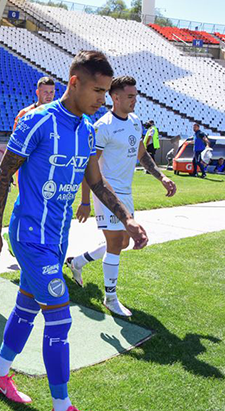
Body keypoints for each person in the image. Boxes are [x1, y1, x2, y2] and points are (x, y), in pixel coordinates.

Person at [0, 51, 148, 411]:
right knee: (60, 317)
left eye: (105, 93)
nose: (102, 99)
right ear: (75, 83)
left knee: (26, 306)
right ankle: (62, 405)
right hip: (28, 237)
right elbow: (3, 174)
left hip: (57, 239)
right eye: (98, 91)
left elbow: (98, 183)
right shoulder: (37, 121)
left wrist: (126, 218)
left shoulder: (88, 129)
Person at [70, 76, 176, 317]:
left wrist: (162, 177)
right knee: (117, 243)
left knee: (122, 242)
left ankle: (78, 262)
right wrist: (85, 201)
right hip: (106, 192)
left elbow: (142, 154)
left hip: (126, 192)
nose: (134, 101)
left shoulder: (136, 122)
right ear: (114, 98)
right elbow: (91, 167)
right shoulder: (103, 126)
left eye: (135, 96)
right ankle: (111, 298)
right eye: (130, 96)